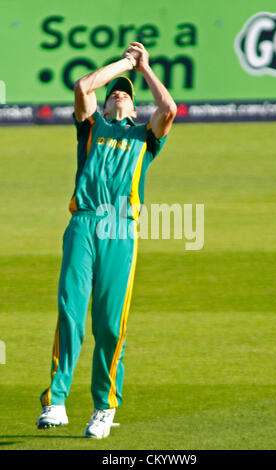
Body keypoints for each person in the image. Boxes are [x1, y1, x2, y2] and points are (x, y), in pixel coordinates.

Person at [36, 42, 177, 439]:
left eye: (127, 94)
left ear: (134, 109)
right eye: (117, 89)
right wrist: (124, 64)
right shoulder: (92, 126)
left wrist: (144, 69)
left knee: (110, 324)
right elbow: (82, 87)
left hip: (119, 228)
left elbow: (169, 109)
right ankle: (57, 401)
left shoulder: (145, 138)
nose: (121, 92)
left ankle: (104, 407)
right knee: (70, 309)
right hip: (83, 223)